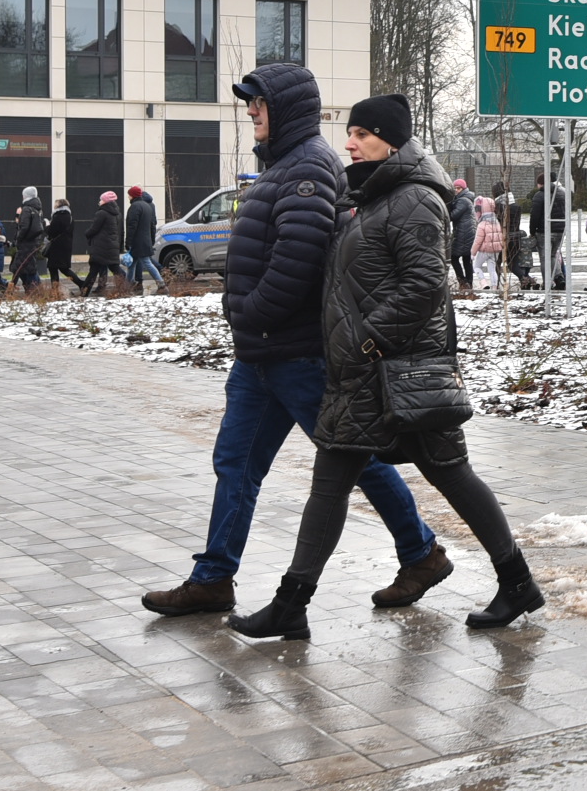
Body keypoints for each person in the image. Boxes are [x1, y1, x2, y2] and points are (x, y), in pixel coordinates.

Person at [226, 92, 546, 640]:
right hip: (367, 375)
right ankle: (291, 603)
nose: (348, 143)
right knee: (332, 483)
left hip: (398, 374)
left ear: (391, 142)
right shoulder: (374, 197)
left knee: (450, 476)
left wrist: (369, 344)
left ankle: (516, 582)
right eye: (349, 133)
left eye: (361, 135)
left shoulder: (414, 200)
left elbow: (425, 286)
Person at [143, 65, 450, 619]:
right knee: (236, 463)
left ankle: (422, 551)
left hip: (297, 351)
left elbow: (299, 260)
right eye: (248, 104)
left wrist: (250, 313)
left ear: (283, 108)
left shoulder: (307, 167)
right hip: (263, 353)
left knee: (354, 460)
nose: (250, 112)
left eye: (257, 103)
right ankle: (213, 577)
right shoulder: (285, 166)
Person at [84, 190, 123, 294]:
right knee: (116, 269)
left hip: (100, 247)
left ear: (105, 201)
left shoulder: (101, 213)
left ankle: (84, 292)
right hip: (112, 246)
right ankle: (125, 289)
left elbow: (94, 229)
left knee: (93, 271)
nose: (99, 202)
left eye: (101, 200)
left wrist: (87, 233)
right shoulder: (117, 213)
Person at [471, 192, 507, 296]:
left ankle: (483, 282)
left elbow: (477, 241)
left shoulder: (482, 224)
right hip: (495, 250)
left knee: (477, 266)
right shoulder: (496, 222)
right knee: (492, 269)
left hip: (484, 250)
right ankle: (494, 286)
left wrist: (473, 253)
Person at [124, 185, 160, 290]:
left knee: (147, 263)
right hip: (145, 240)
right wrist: (151, 240)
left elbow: (132, 226)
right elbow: (152, 225)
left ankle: (161, 283)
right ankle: (127, 285)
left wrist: (128, 242)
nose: (128, 197)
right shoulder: (147, 206)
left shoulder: (134, 207)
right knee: (131, 265)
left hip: (137, 242)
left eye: (129, 195)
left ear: (133, 195)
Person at [13, 187, 48, 290]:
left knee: (21, 267)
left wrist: (18, 239)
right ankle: (33, 288)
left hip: (25, 243)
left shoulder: (27, 209)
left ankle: (34, 289)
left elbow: (23, 227)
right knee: (28, 266)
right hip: (34, 242)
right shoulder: (38, 209)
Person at [449, 179, 478, 293]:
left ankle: (463, 281)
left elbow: (453, 216)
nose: (456, 190)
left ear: (463, 189)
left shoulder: (463, 201)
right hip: (468, 232)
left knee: (453, 257)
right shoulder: (467, 199)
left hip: (463, 233)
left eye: (458, 188)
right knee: (466, 259)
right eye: (455, 188)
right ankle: (468, 283)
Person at [46, 195, 77, 295]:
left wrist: (47, 225)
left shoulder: (57, 216)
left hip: (56, 247)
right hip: (66, 246)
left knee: (53, 268)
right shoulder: (70, 216)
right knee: (64, 269)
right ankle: (81, 284)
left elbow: (51, 231)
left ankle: (55, 290)